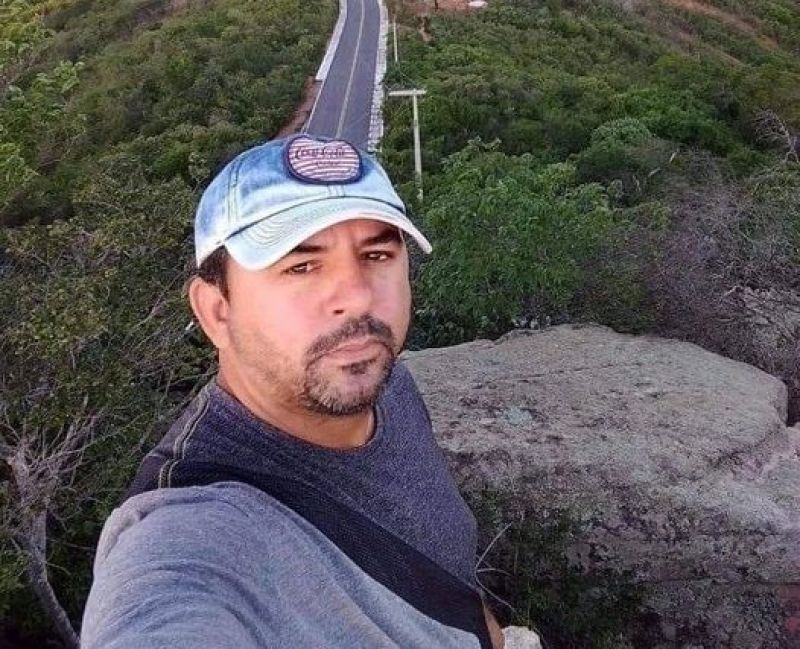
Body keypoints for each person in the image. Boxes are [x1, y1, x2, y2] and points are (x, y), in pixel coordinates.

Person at [80, 134, 505, 648]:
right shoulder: (191, 531)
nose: (357, 297)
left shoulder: (384, 382)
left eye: (376, 255)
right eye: (301, 266)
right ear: (217, 311)